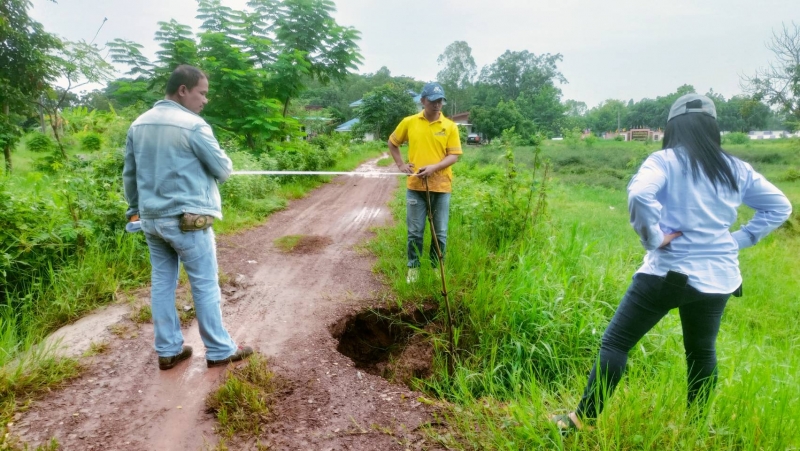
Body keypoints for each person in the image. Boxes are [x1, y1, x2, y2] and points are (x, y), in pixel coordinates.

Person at [552, 94, 792, 433]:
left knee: (616, 343)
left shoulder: (664, 161)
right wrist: (739, 239)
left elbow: (639, 194)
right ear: (712, 127)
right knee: (701, 352)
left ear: (673, 127)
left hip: (667, 274)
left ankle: (582, 421)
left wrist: (653, 238)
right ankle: (695, 428)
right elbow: (780, 206)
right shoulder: (735, 168)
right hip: (718, 278)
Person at [123, 65, 253, 370]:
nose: (205, 100)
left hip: (151, 219)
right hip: (187, 220)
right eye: (202, 93)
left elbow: (130, 174)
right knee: (204, 283)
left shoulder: (138, 124)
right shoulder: (194, 126)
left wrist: (134, 210)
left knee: (162, 283)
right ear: (183, 90)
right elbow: (223, 169)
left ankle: (168, 350)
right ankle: (219, 350)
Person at [388, 82, 463, 283]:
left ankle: (436, 267)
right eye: (432, 101)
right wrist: (400, 164)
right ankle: (413, 268)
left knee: (440, 233)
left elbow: (454, 155)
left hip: (441, 186)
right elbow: (393, 143)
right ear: (423, 101)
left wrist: (434, 168)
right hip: (416, 187)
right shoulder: (409, 122)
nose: (437, 105)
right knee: (415, 232)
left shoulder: (450, 126)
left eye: (440, 101)